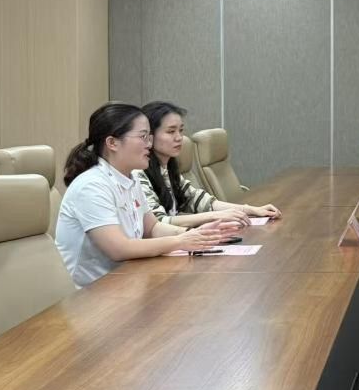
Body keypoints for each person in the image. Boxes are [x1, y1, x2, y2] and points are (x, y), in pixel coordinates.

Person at [55, 102, 233, 287]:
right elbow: (119, 248)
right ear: (112, 143)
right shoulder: (91, 186)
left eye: (150, 136)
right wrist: (180, 241)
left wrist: (199, 235)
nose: (150, 144)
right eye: (143, 137)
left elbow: (152, 228)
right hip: (92, 292)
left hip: (128, 280)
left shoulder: (130, 177)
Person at [138, 101, 281, 226]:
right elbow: (158, 222)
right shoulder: (138, 173)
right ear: (149, 137)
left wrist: (250, 210)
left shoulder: (167, 169)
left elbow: (199, 200)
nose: (179, 137)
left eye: (180, 130)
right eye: (170, 132)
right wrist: (216, 216)